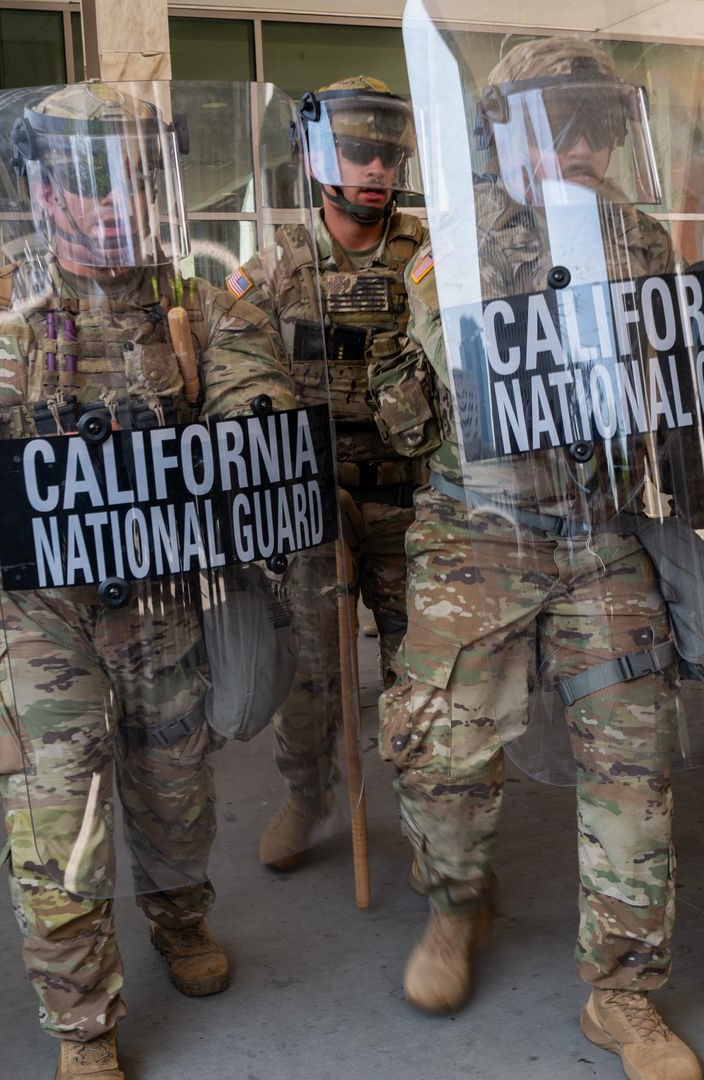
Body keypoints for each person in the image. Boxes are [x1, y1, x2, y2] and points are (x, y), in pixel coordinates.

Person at [0, 82, 294, 1080]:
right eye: (86, 178)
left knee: (176, 790)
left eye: (132, 177)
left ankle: (179, 917)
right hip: (37, 606)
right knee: (54, 813)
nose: (112, 201)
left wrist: (226, 453)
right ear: (37, 185)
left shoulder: (197, 304)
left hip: (161, 597)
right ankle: (82, 1024)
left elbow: (259, 403)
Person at [382, 37, 704, 1080]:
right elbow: (450, 360)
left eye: (597, 124)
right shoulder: (456, 238)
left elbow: (667, 382)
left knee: (636, 754)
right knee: (443, 750)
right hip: (479, 528)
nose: (579, 144)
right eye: (554, 122)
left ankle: (623, 993)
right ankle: (454, 907)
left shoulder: (644, 238)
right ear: (502, 133)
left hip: (601, 529)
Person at [227, 75, 426, 870]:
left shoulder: (434, 254)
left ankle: (430, 820)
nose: (375, 167)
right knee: (310, 675)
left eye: (386, 150)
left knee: (430, 673)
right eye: (355, 150)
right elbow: (238, 381)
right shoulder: (273, 271)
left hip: (417, 497)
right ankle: (308, 794)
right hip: (315, 502)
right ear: (316, 155)